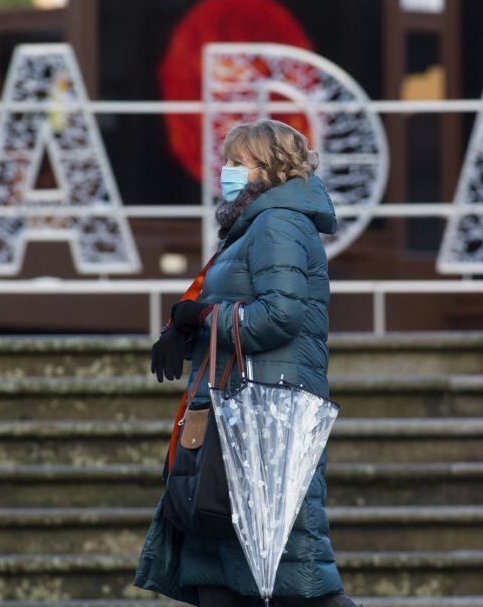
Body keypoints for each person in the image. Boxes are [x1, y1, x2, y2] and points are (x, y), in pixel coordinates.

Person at [134, 119, 359, 607]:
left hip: (266, 415)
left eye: (238, 162)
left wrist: (203, 317)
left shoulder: (277, 223)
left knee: (292, 575)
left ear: (270, 169)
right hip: (240, 409)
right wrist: (186, 329)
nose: (226, 171)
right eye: (227, 161)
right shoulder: (253, 225)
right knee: (228, 564)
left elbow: (280, 316)